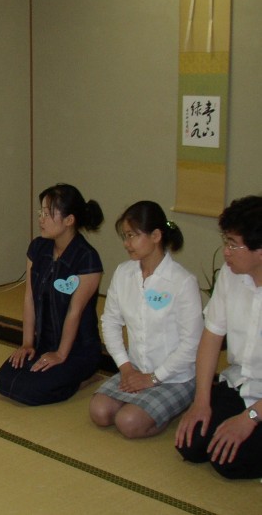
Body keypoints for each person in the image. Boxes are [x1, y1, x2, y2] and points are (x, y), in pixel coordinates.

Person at [89, 201, 203, 438]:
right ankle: (144, 402)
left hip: (175, 376)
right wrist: (125, 367)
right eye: (125, 236)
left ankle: (175, 405)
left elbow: (191, 344)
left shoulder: (182, 282)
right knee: (99, 411)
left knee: (128, 422)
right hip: (135, 369)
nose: (126, 243)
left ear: (156, 236)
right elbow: (110, 321)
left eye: (132, 235)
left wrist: (153, 378)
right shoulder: (123, 273)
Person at [175, 195, 262, 479]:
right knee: (192, 445)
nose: (226, 252)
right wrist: (201, 401)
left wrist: (250, 417)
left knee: (229, 463)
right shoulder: (230, 275)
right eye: (226, 241)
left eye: (233, 244)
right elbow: (211, 338)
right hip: (240, 382)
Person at [0, 183, 104, 405]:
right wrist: (27, 343)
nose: (41, 219)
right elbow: (29, 297)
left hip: (77, 348)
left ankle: (85, 377)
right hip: (44, 342)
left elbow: (74, 312)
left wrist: (61, 354)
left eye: (48, 214)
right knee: (5, 379)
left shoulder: (87, 258)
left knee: (33, 391)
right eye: (40, 213)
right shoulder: (38, 248)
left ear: (69, 220)